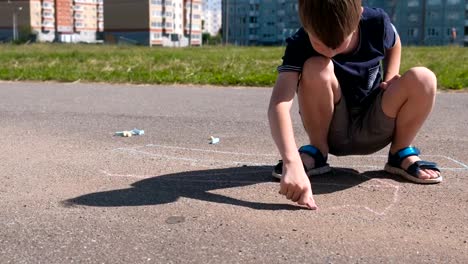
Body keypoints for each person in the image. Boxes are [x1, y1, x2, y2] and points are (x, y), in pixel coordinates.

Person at [267, 0, 442, 210]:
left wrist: (390, 76)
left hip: (376, 121)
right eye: (319, 43)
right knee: (316, 66)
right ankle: (317, 152)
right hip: (332, 129)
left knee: (423, 77)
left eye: (339, 42)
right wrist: (291, 162)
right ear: (305, 24)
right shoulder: (300, 41)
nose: (330, 50)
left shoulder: (376, 22)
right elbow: (279, 103)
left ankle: (400, 152)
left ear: (358, 16)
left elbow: (394, 43)